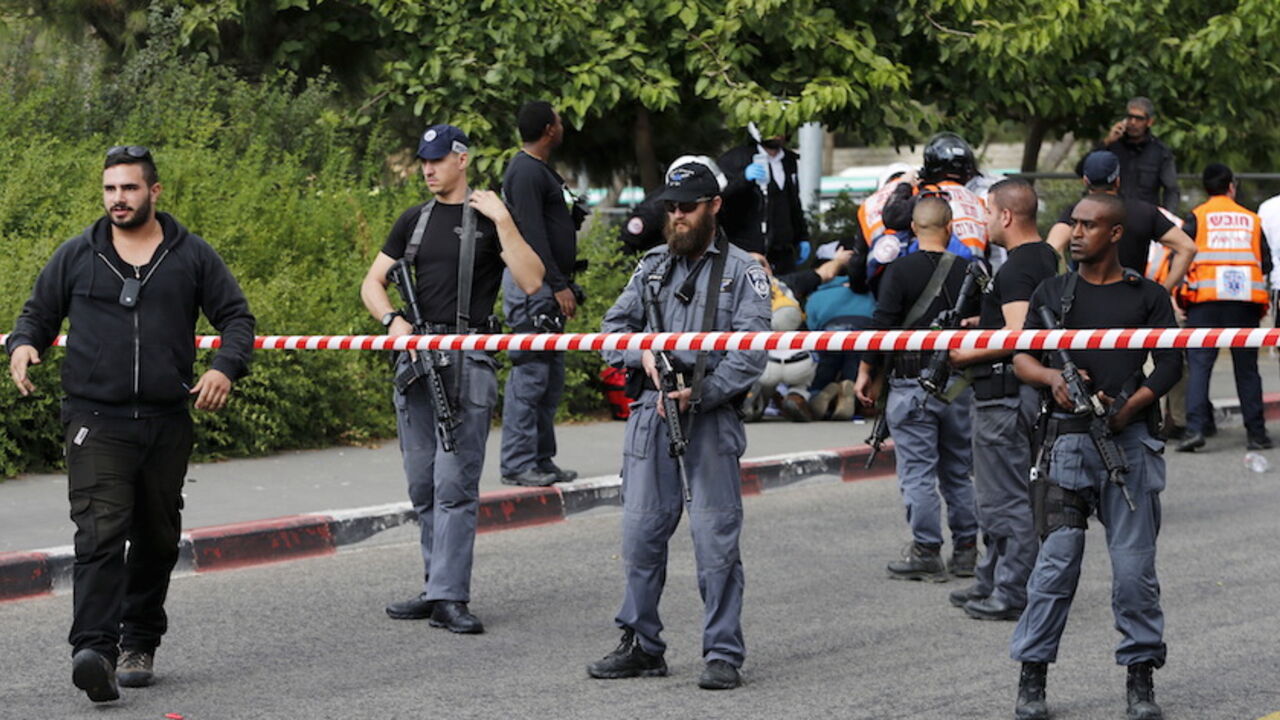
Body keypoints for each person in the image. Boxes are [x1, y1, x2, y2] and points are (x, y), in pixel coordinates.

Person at [5, 145, 255, 702]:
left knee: (157, 537)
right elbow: (37, 315)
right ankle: (94, 652)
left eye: (129, 189)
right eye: (110, 189)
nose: (118, 199)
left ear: (154, 192)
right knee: (99, 532)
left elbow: (237, 318)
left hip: (167, 420)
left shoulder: (192, 256)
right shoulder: (77, 254)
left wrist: (224, 368)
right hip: (96, 418)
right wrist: (23, 347)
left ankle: (139, 639)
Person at [588, 156, 770, 690]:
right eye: (670, 208)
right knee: (641, 535)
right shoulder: (650, 267)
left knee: (716, 541)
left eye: (687, 207)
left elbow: (752, 350)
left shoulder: (744, 271)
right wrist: (640, 354)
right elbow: (610, 331)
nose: (677, 218)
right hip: (651, 413)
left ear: (714, 206)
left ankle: (722, 653)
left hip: (710, 417)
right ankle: (642, 644)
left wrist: (703, 392)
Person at [361, 124, 545, 634]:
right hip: (417, 359)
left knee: (455, 486)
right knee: (423, 484)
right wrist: (391, 320)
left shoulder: (488, 220)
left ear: (462, 160)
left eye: (438, 158)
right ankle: (434, 584)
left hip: (468, 359)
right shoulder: (413, 221)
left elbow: (531, 280)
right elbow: (372, 282)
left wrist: (505, 220)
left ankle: (449, 594)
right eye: (424, 158)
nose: (428, 167)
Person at [1008, 193, 1179, 720]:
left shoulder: (1146, 295)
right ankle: (1032, 677)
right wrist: (1053, 378)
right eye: (1074, 224)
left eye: (1088, 225)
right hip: (1065, 446)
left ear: (1115, 234)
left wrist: (1132, 407)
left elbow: (1171, 365)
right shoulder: (1052, 292)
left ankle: (1140, 678)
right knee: (1055, 570)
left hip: (1127, 446)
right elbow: (1021, 358)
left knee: (1134, 574)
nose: (1075, 233)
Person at [948, 179, 1060, 621]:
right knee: (1001, 496)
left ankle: (1011, 591)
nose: (984, 220)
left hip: (1004, 396)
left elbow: (1019, 336)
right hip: (1016, 395)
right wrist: (984, 319)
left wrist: (965, 353)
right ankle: (990, 579)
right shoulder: (1043, 257)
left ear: (1007, 216)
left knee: (1004, 499)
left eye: (989, 212)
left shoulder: (1015, 268)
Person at [853, 197, 981, 582]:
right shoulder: (972, 271)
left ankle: (926, 551)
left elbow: (882, 329)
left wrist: (865, 372)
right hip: (960, 386)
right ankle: (966, 551)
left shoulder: (898, 271)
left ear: (912, 226)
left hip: (911, 386)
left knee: (918, 474)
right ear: (951, 227)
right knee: (958, 472)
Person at [500, 100, 582, 487]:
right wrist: (558, 284)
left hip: (546, 288)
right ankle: (518, 463)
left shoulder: (539, 170)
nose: (563, 126)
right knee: (531, 375)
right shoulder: (525, 172)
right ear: (550, 129)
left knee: (550, 379)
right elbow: (532, 234)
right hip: (533, 289)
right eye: (560, 121)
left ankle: (541, 458)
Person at [1174, 163, 1273, 452]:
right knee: (1247, 369)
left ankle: (1195, 429)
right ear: (1231, 186)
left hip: (1204, 302)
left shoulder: (1196, 217)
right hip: (1244, 304)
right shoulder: (1251, 220)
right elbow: (1265, 263)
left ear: (1206, 188)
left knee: (1200, 365)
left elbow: (1181, 254)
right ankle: (1256, 434)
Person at [1048, 150, 1196, 290]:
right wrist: (1164, 291)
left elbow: (1052, 249)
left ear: (1086, 181)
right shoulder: (1144, 212)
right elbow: (1187, 248)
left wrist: (1066, 285)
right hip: (1133, 300)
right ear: (1117, 180)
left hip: (1084, 298)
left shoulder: (1076, 213)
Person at [740, 247, 854, 422]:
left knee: (755, 371)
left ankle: (754, 399)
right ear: (769, 269)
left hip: (763, 363)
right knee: (803, 379)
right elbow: (826, 273)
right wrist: (839, 260)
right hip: (798, 359)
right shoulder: (787, 282)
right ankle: (797, 397)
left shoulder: (737, 292)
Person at [717, 124, 811, 273]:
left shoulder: (789, 161)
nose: (777, 133)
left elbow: (794, 203)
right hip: (748, 252)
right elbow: (720, 201)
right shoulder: (735, 159)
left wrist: (802, 237)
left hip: (782, 254)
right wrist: (743, 179)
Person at [880, 132, 989, 260]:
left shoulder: (932, 194)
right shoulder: (977, 201)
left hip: (945, 270)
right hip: (975, 272)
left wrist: (904, 185)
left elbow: (893, 217)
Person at [1089, 97, 1180, 212]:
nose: (1133, 122)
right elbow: (1082, 169)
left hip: (1145, 218)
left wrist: (1167, 218)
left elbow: (1171, 189)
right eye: (1130, 117)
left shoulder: (1160, 152)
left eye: (1139, 119)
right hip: (1113, 215)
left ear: (1149, 122)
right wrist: (1106, 141)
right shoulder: (1112, 146)